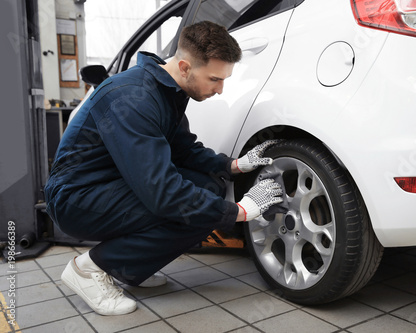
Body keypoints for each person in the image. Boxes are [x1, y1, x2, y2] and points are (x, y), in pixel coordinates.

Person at [44, 21, 283, 316]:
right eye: (214, 79)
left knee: (210, 187)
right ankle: (88, 269)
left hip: (111, 184)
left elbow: (182, 149)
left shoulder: (167, 91)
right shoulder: (132, 98)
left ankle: (128, 268)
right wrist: (240, 212)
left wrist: (232, 165)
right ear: (184, 67)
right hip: (76, 198)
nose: (220, 90)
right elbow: (162, 192)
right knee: (191, 207)